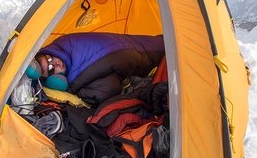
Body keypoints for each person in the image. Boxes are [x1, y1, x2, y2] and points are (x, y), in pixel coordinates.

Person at [26, 32, 165, 105]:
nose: (55, 63)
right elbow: (107, 88)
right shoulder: (74, 75)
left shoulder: (64, 44)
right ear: (51, 80)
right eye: (50, 70)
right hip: (129, 53)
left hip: (130, 49)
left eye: (50, 59)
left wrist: (73, 87)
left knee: (165, 47)